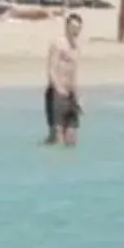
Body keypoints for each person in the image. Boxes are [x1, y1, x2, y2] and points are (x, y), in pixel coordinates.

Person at [43, 12, 83, 148]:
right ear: (67, 27)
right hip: (57, 93)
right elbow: (52, 69)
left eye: (78, 27)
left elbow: (73, 74)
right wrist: (58, 89)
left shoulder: (76, 48)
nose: (75, 30)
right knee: (58, 138)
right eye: (73, 26)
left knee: (72, 139)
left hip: (70, 95)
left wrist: (77, 98)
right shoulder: (58, 44)